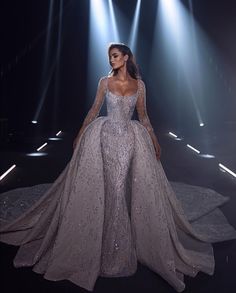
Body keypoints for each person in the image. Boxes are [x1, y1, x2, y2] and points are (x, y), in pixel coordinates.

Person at [0, 43, 236, 292]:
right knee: (110, 188)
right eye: (109, 57)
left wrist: (154, 140)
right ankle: (107, 246)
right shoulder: (104, 82)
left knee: (119, 187)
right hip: (105, 138)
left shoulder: (140, 85)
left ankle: (118, 246)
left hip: (129, 141)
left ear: (126, 57)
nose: (111, 60)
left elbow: (143, 117)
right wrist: (80, 134)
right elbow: (94, 110)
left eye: (115, 56)